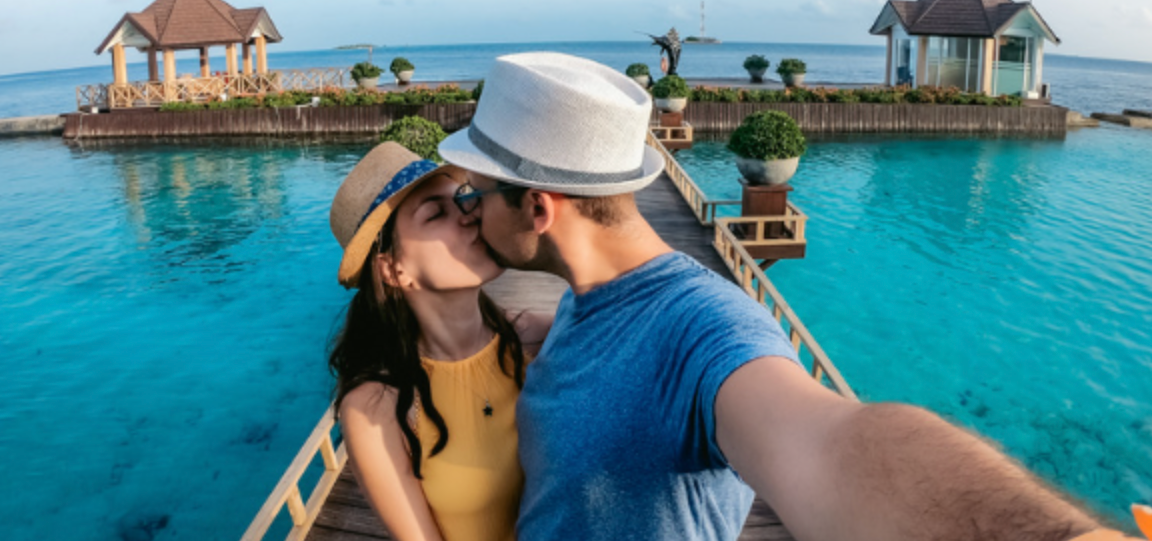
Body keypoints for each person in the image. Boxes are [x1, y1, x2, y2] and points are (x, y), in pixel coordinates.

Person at [437, 51, 1140, 541]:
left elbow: (830, 445)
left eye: (474, 191)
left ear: (538, 208)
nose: (467, 210)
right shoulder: (586, 303)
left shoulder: (704, 329)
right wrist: (544, 329)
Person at [327, 141, 548, 541]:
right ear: (392, 270)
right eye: (435, 214)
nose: (470, 215)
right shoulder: (376, 408)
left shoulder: (529, 337)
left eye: (462, 199)